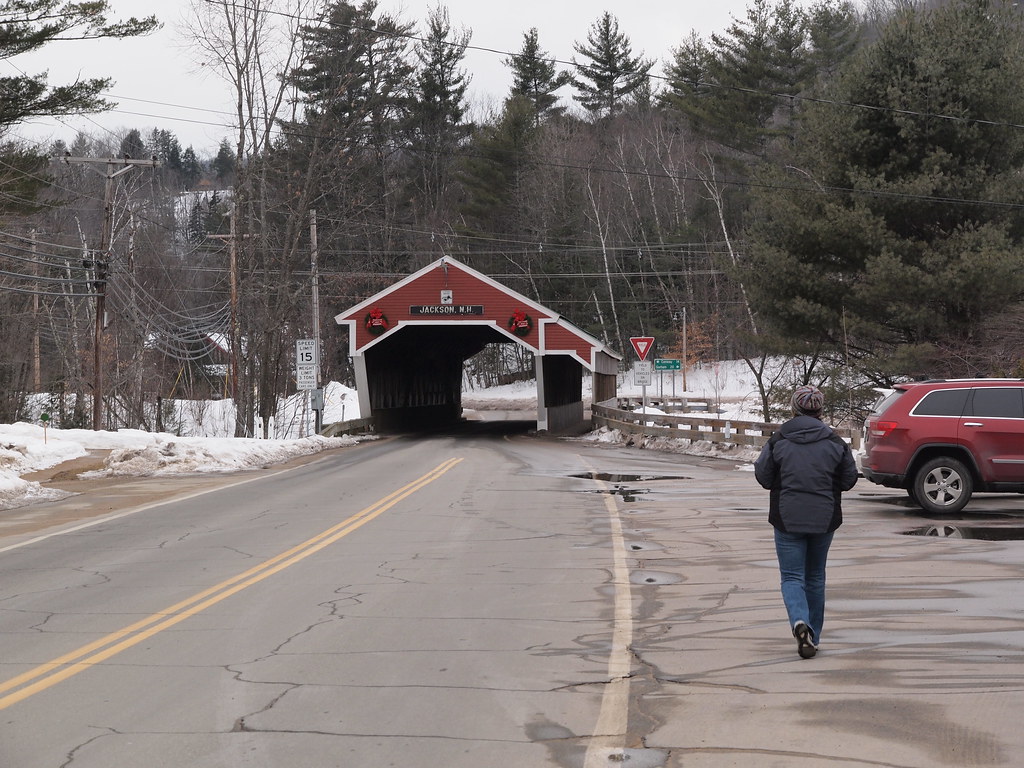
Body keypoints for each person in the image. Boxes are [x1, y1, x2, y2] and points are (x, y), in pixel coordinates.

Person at [754, 384, 858, 659]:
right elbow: (849, 479)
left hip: (787, 517)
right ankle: (814, 634)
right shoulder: (835, 443)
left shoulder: (779, 440)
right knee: (815, 577)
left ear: (794, 408)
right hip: (824, 518)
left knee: (791, 576)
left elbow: (763, 477)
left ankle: (800, 621)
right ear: (820, 410)